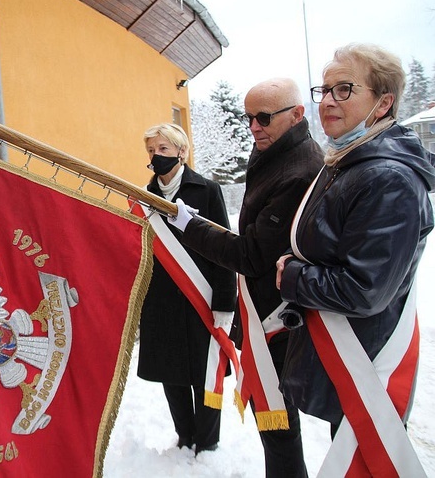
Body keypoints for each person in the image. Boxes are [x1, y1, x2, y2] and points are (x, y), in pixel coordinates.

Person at [275, 44, 434, 473]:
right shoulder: (349, 160)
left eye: (344, 89)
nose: (327, 101)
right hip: (344, 354)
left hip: (364, 361)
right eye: (324, 90)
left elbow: (363, 289)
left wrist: (292, 275)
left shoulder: (388, 178)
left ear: (383, 103)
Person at [168, 78, 324, 477]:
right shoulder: (276, 152)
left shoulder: (297, 170)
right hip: (266, 312)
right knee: (275, 426)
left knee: (278, 425)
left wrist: (192, 226)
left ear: (296, 114)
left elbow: (251, 255)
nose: (254, 126)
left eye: (264, 117)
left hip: (277, 321)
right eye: (249, 117)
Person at [136, 123, 236, 455]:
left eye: (163, 149)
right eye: (152, 150)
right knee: (171, 371)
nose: (156, 156)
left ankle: (207, 443)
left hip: (202, 296)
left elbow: (224, 249)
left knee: (205, 371)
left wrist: (225, 301)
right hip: (161, 301)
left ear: (181, 151)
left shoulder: (206, 190)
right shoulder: (144, 197)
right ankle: (184, 437)